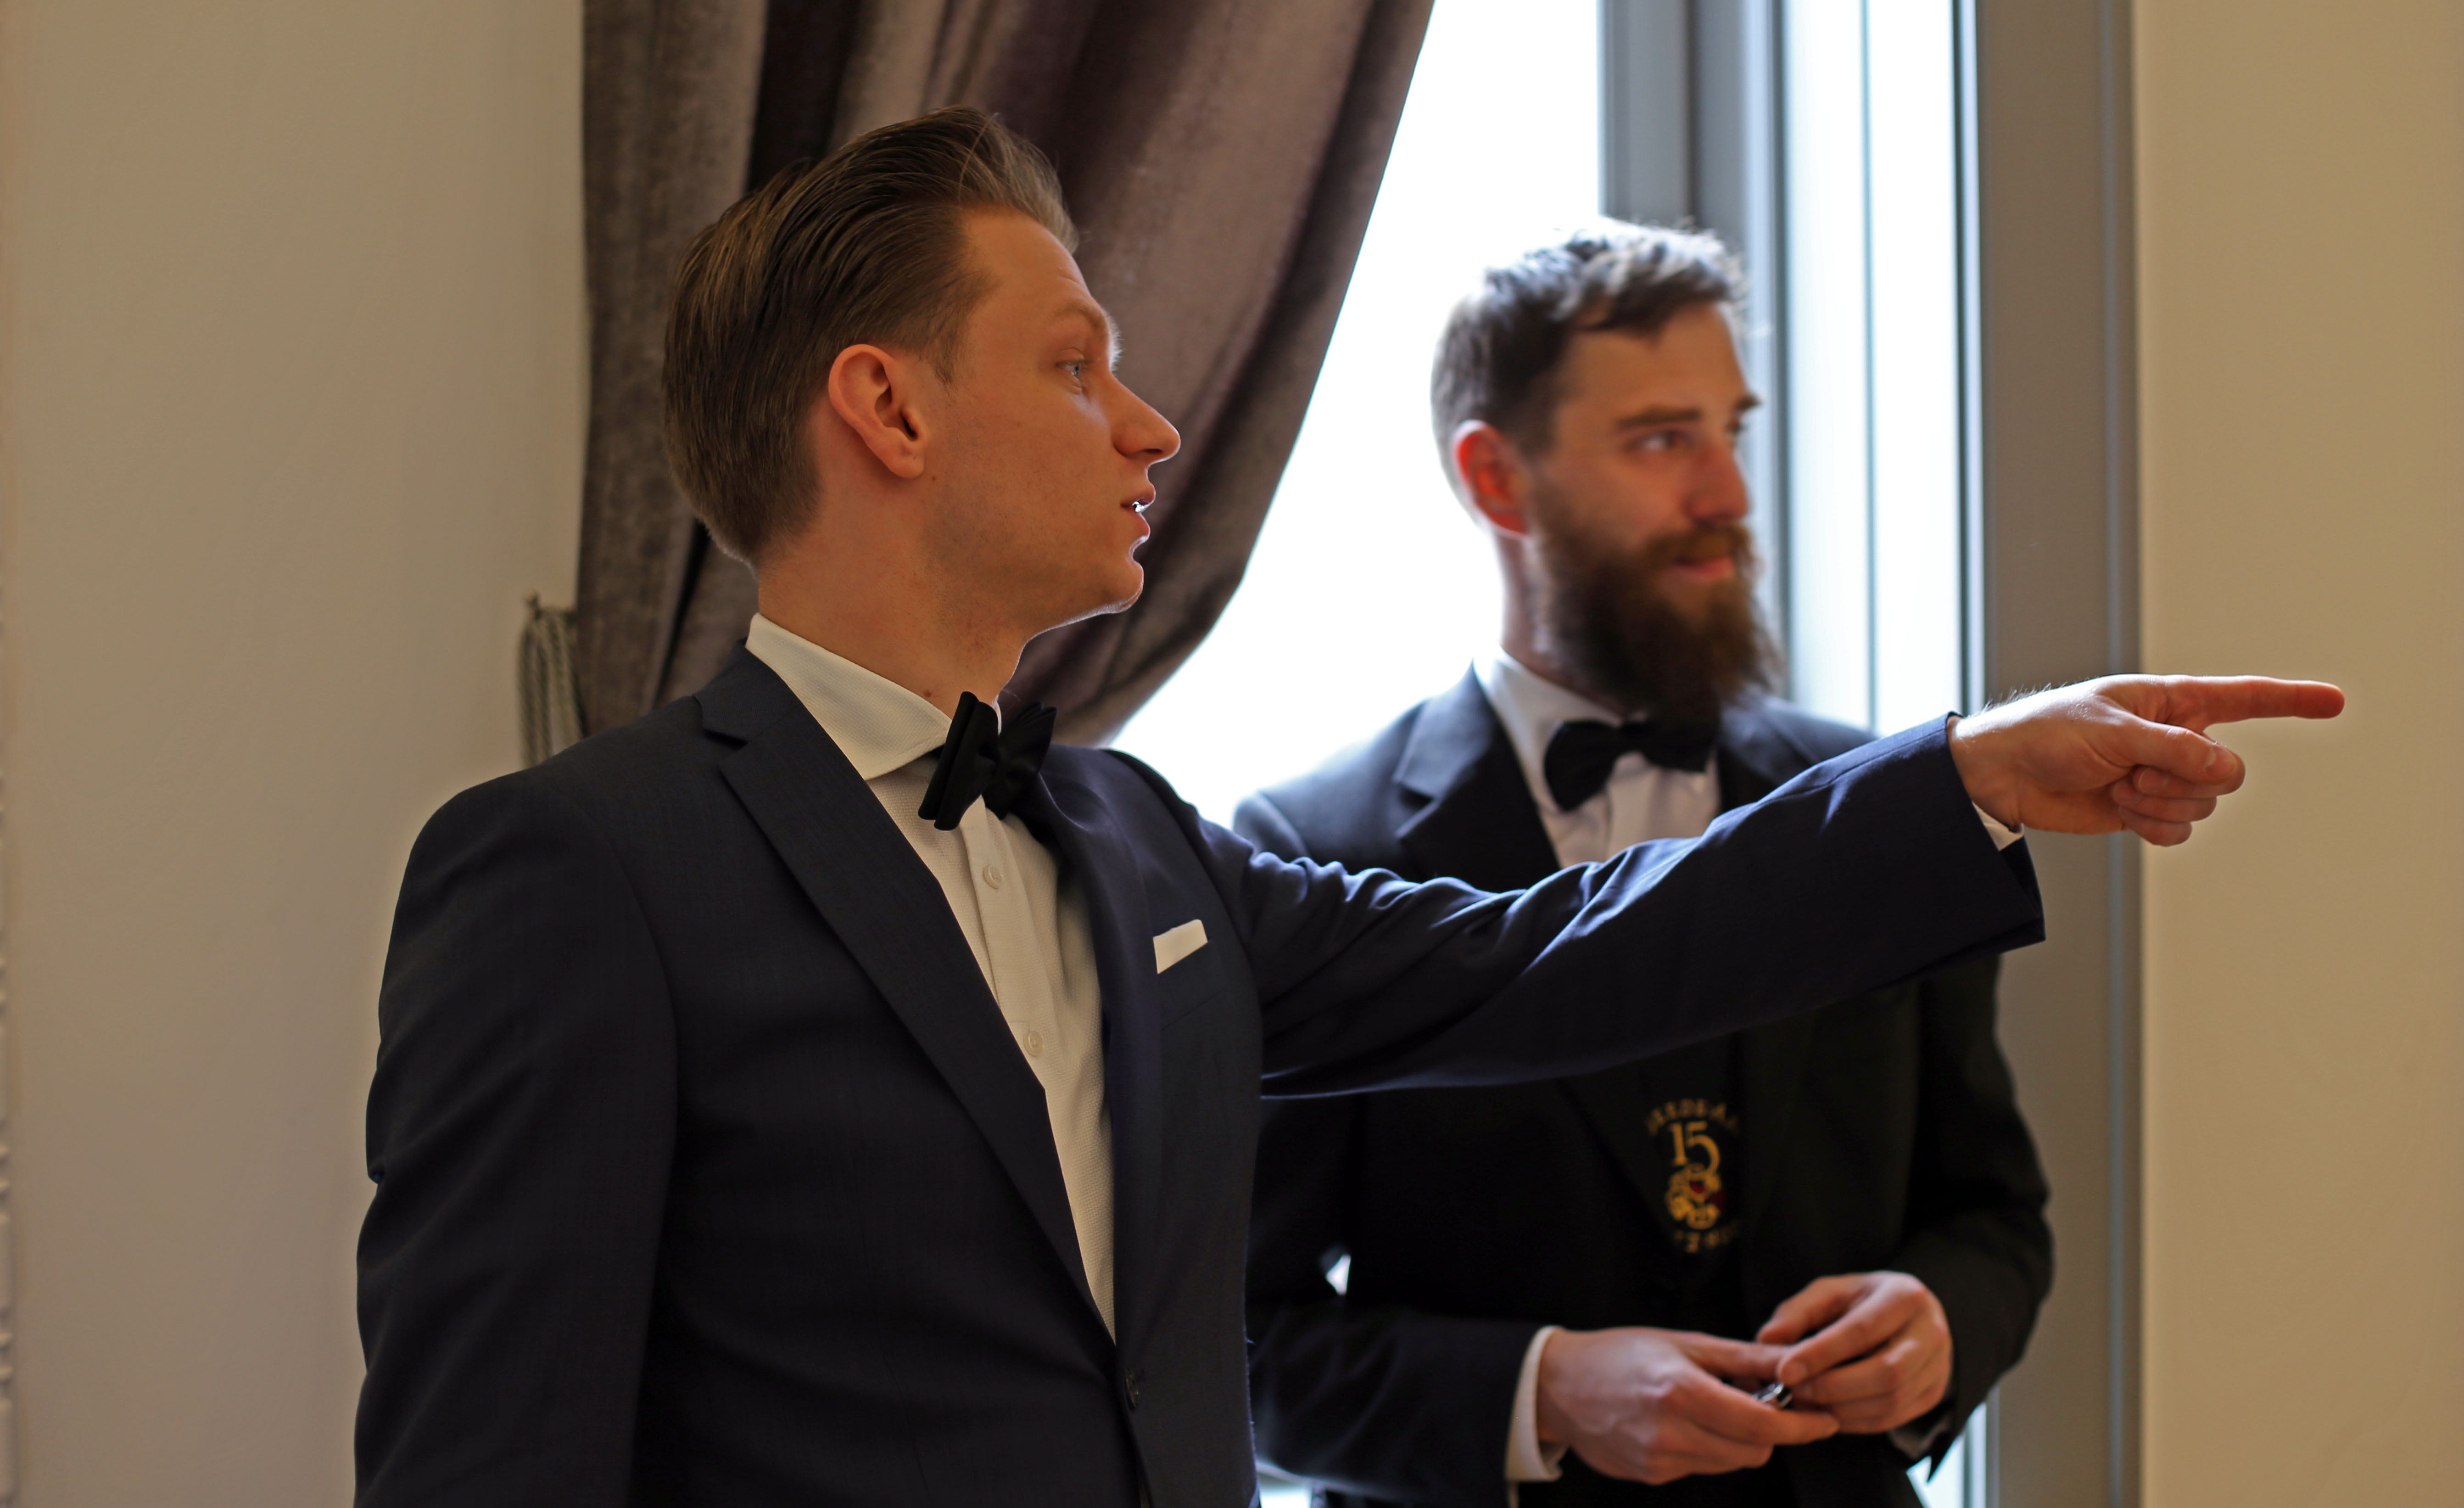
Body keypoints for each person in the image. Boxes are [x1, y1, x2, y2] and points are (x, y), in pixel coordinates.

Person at [352, 107, 2337, 1508]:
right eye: (1076, 364)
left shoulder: (1138, 845)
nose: (1152, 427)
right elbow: (486, 1466)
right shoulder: (579, 872)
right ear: (889, 409)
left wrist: (1960, 778)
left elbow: (1561, 959)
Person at [1238, 225, 2049, 1508]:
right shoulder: (1314, 850)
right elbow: (1237, 1337)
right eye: (1664, 439)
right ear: (1498, 479)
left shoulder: (1888, 808)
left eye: (1732, 431)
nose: (1728, 494)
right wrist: (1540, 1392)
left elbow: (1996, 1215)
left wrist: (1939, 1323)